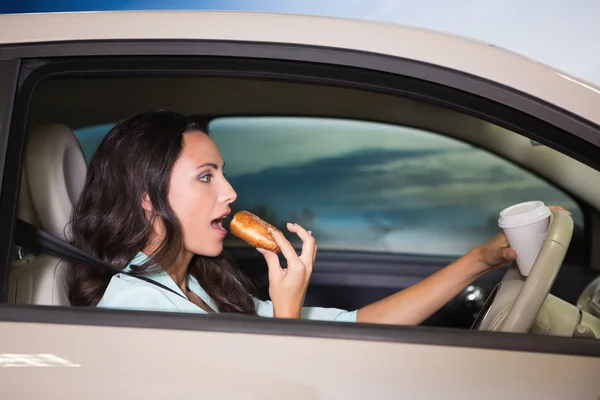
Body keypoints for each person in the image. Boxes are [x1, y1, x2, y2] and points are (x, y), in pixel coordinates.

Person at [66, 110, 571, 325]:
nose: (231, 191)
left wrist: (480, 259)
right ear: (147, 199)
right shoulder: (136, 308)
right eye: (206, 177)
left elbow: (361, 325)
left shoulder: (198, 290)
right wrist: (286, 310)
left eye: (224, 174)